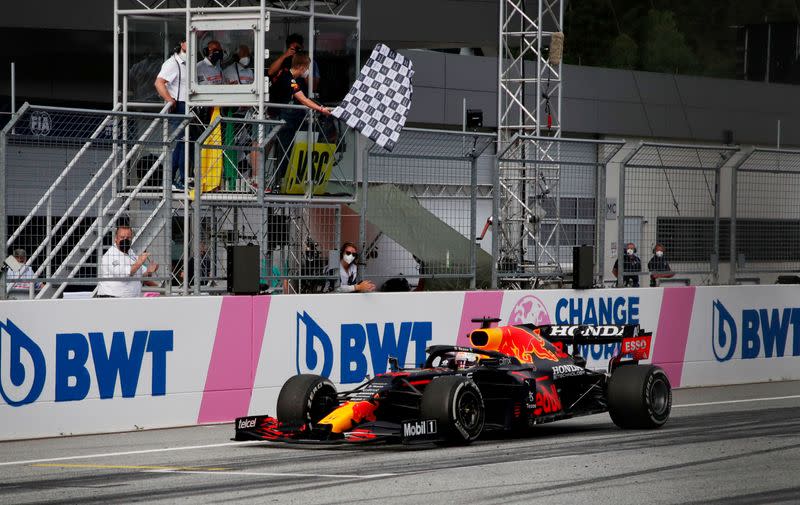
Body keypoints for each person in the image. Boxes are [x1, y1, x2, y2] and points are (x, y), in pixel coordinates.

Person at [270, 52, 332, 191]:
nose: (308, 71)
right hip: (278, 118)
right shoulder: (288, 77)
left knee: (289, 147)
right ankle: (281, 180)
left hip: (281, 117)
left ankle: (290, 178)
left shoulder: (288, 76)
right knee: (284, 149)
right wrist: (321, 109)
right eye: (307, 67)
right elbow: (302, 99)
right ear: (302, 67)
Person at [154, 37, 189, 189]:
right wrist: (170, 100)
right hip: (180, 105)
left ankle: (175, 179)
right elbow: (159, 82)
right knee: (183, 143)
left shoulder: (189, 63)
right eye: (189, 41)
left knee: (185, 143)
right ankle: (178, 179)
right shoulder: (172, 63)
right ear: (182, 44)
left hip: (189, 106)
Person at [96, 226, 159, 298]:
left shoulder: (130, 252)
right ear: (116, 238)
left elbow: (141, 274)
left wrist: (149, 271)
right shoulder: (110, 255)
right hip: (112, 298)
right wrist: (139, 262)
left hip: (130, 299)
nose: (125, 240)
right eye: (122, 237)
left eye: (128, 238)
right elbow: (123, 274)